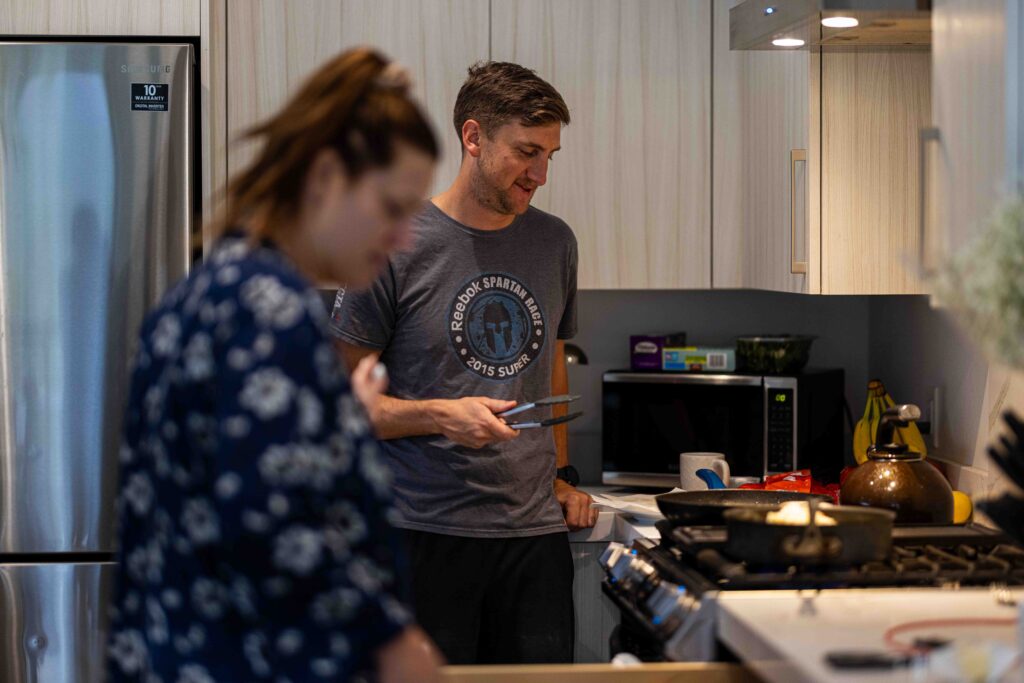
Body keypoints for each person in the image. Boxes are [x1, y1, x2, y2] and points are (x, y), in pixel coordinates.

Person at [106, 47, 445, 683]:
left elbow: (236, 483)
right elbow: (275, 526)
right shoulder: (271, 312)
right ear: (324, 177)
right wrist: (392, 640)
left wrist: (341, 427)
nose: (403, 238)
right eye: (394, 208)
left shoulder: (209, 289)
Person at [330, 61, 598, 665]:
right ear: (473, 138)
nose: (541, 175)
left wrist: (560, 475)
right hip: (420, 535)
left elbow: (551, 365)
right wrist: (439, 416)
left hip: (533, 541)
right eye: (527, 152)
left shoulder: (555, 242)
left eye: (551, 155)